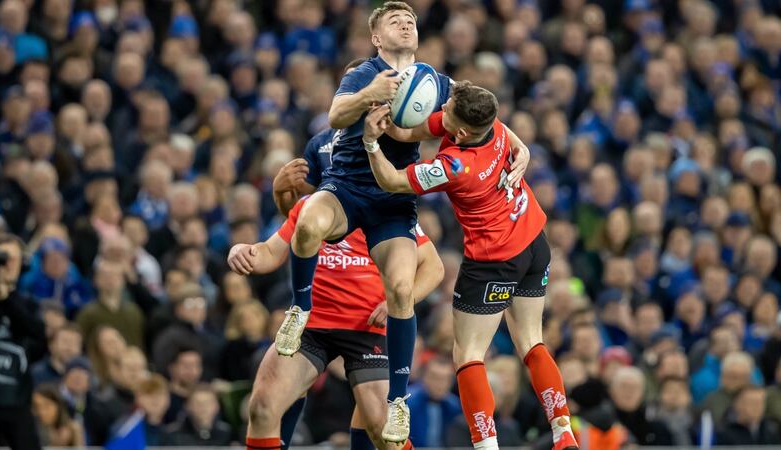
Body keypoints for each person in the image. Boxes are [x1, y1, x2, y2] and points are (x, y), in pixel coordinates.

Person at [361, 81, 577, 450]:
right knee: (531, 341)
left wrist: (369, 143)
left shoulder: (455, 166)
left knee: (468, 355)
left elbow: (394, 180)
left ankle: (485, 445)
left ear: (460, 132)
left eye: (446, 108)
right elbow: (482, 120)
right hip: (533, 241)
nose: (442, 107)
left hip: (494, 261)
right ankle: (563, 432)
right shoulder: (490, 127)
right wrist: (521, 146)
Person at [270, 4, 451, 442]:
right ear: (376, 37)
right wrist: (371, 92)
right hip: (347, 186)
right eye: (394, 20)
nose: (406, 23)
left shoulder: (436, 81)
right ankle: (300, 308)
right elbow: (335, 116)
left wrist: (514, 144)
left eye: (410, 19)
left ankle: (399, 402)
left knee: (404, 290)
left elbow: (475, 117)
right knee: (309, 223)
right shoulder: (364, 73)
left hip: (393, 202)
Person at [228, 192, 443, 450]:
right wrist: (242, 250)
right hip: (310, 328)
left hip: (368, 330)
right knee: (262, 408)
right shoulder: (311, 206)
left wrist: (396, 304)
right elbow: (269, 252)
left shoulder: (390, 209)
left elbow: (434, 267)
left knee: (384, 431)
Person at [0, 233, 43, 450]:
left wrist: (5, 300)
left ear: (23, 264)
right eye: (1, 259)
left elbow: (39, 338)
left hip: (18, 402)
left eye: (12, 259)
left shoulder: (29, 304)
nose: (6, 265)